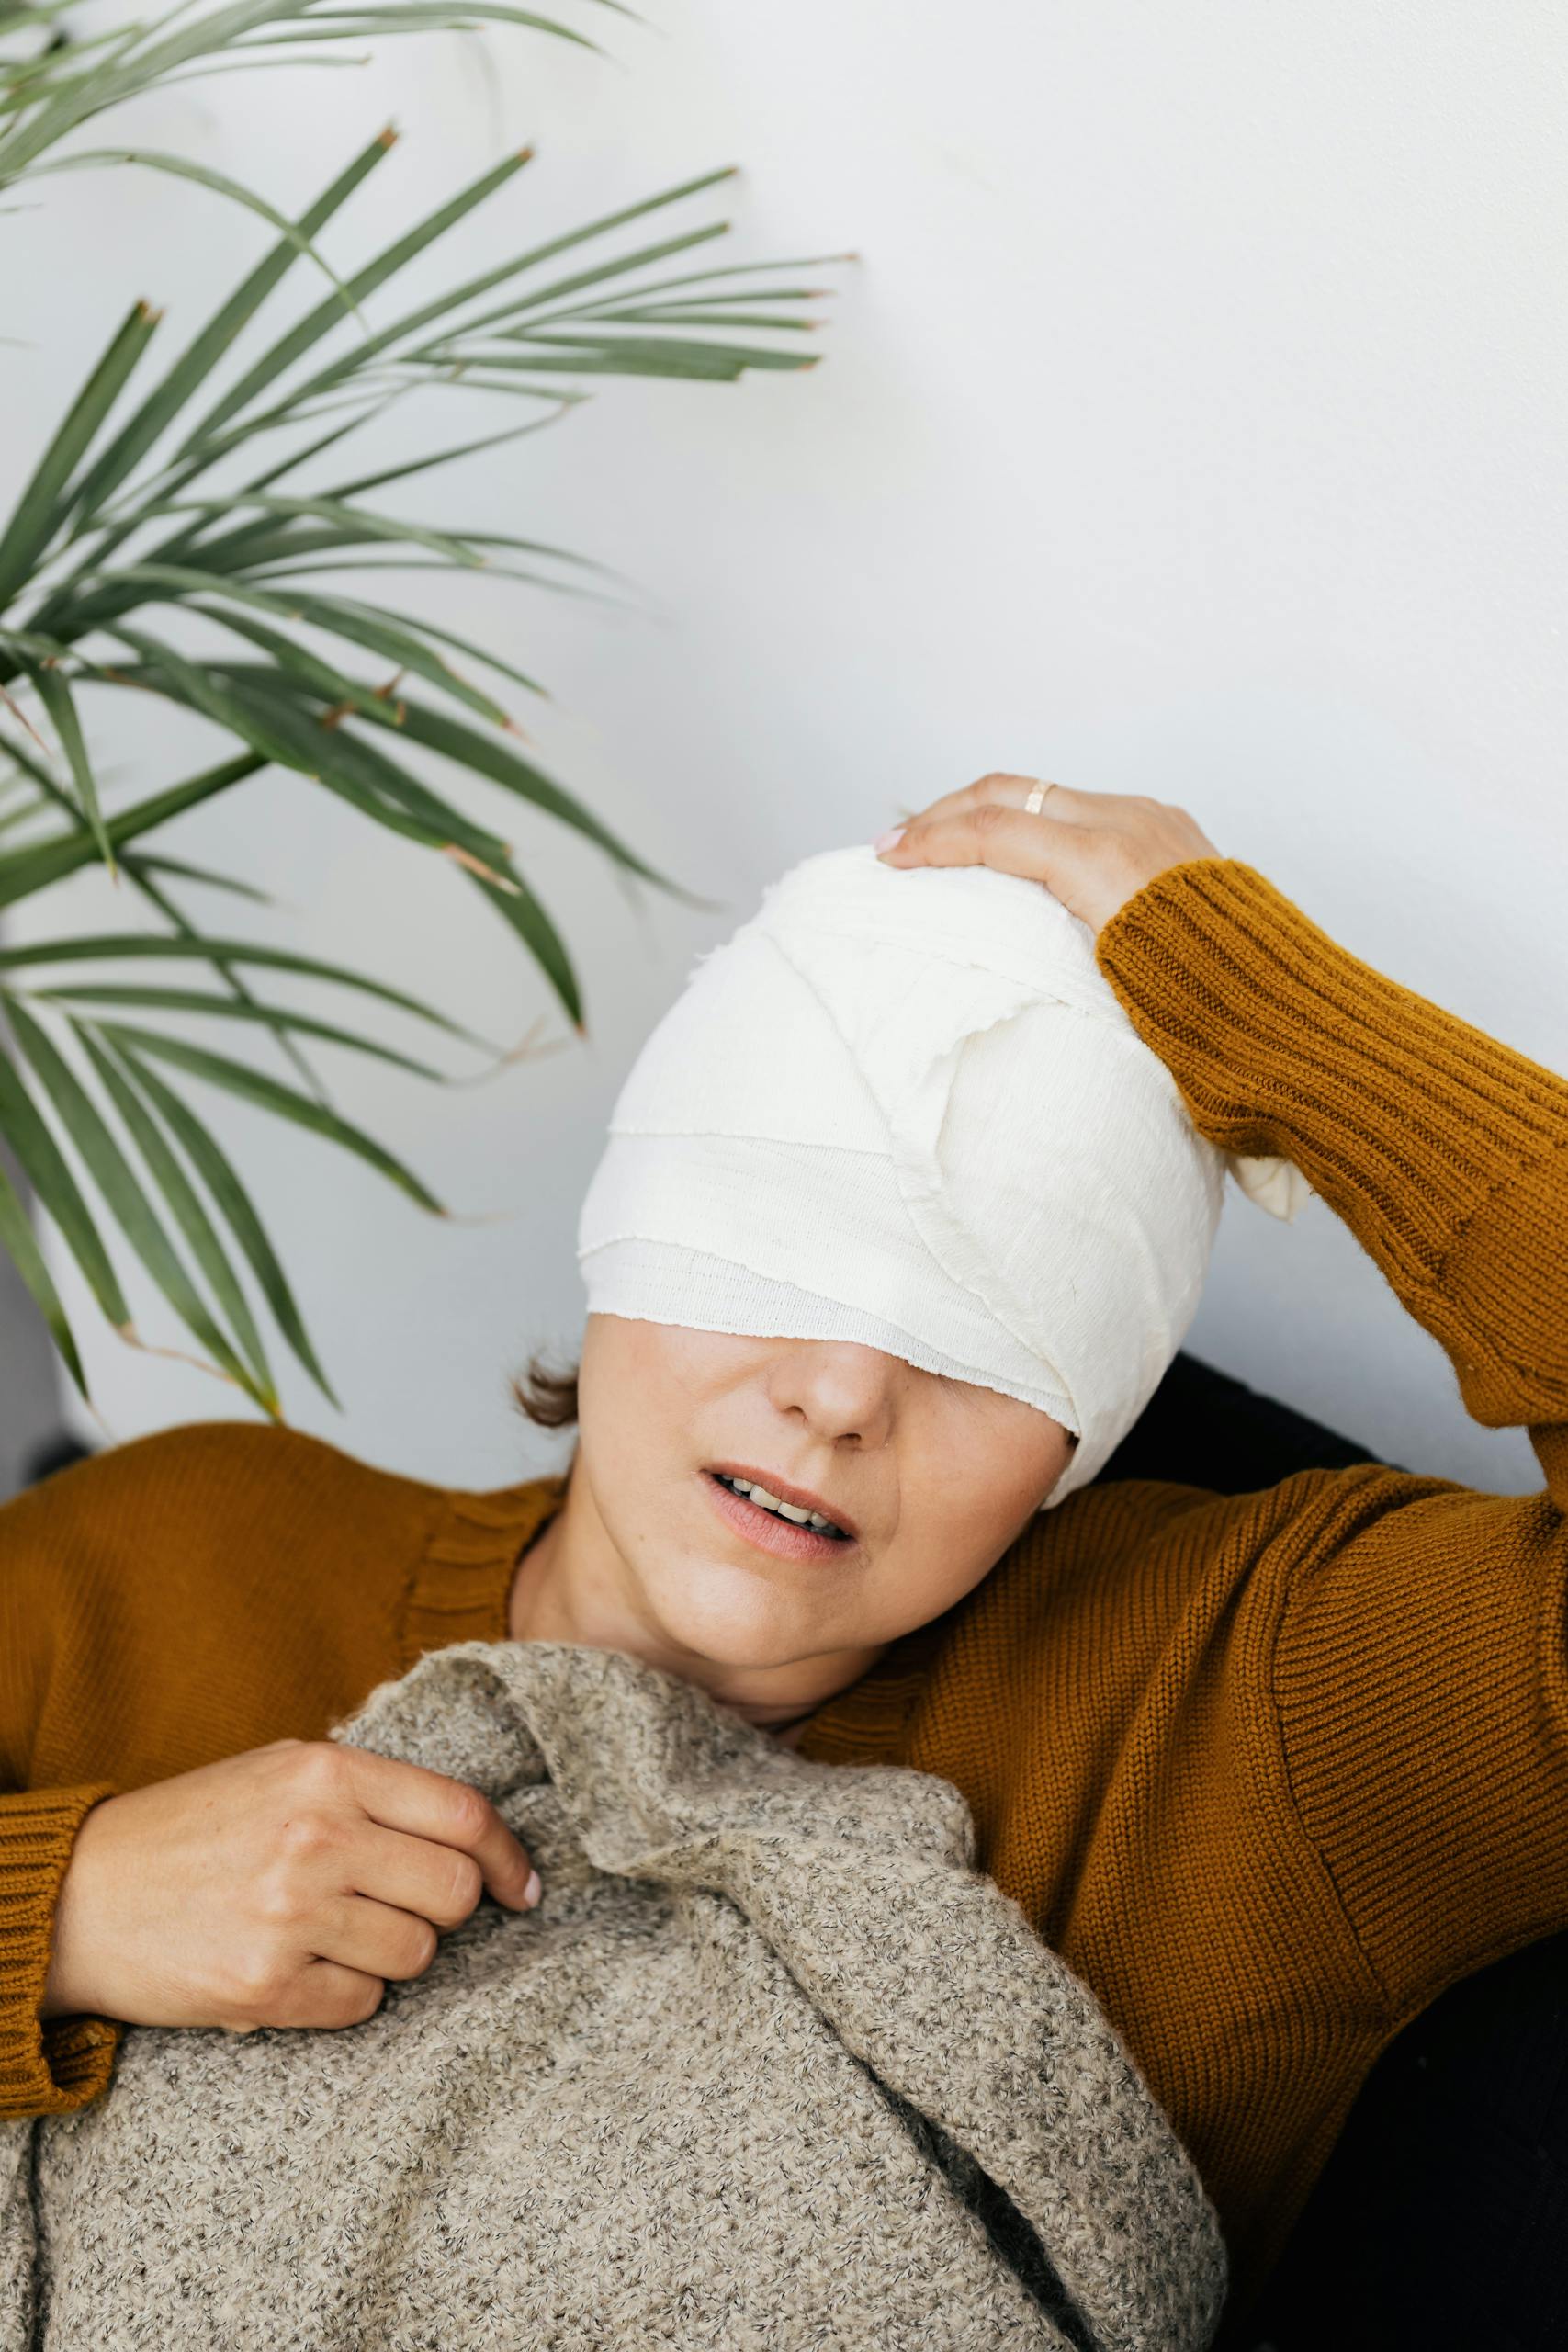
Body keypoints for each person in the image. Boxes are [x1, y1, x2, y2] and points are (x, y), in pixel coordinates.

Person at [2, 776, 1564, 2345]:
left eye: (980, 1341)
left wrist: (1269, 1006)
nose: (840, 1398)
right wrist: (65, 1906)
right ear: (632, 1210)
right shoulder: (170, 1549)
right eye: (776, 1241)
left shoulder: (1245, 1700)